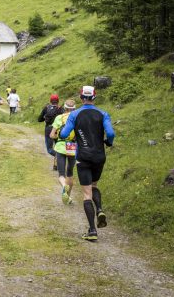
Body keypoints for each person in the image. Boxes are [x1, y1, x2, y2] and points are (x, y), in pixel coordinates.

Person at [60, 86, 115, 241]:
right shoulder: (103, 114)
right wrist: (108, 142)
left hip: (83, 157)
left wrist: (69, 135)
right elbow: (110, 133)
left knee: (86, 193)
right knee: (94, 185)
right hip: (99, 156)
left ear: (81, 97)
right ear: (94, 98)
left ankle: (92, 231)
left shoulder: (75, 114)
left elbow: (64, 134)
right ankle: (99, 209)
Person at [50, 99, 77, 205]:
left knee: (61, 174)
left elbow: (52, 135)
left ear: (64, 108)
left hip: (61, 146)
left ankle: (63, 186)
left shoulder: (59, 118)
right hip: (72, 146)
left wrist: (58, 137)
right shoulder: (77, 118)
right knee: (70, 173)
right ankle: (68, 197)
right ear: (74, 109)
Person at [38, 94, 64, 170]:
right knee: (58, 147)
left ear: (50, 101)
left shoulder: (46, 108)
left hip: (48, 129)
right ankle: (56, 166)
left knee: (50, 149)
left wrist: (45, 118)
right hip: (58, 129)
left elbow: (39, 119)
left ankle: (58, 157)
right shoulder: (61, 109)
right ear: (58, 101)